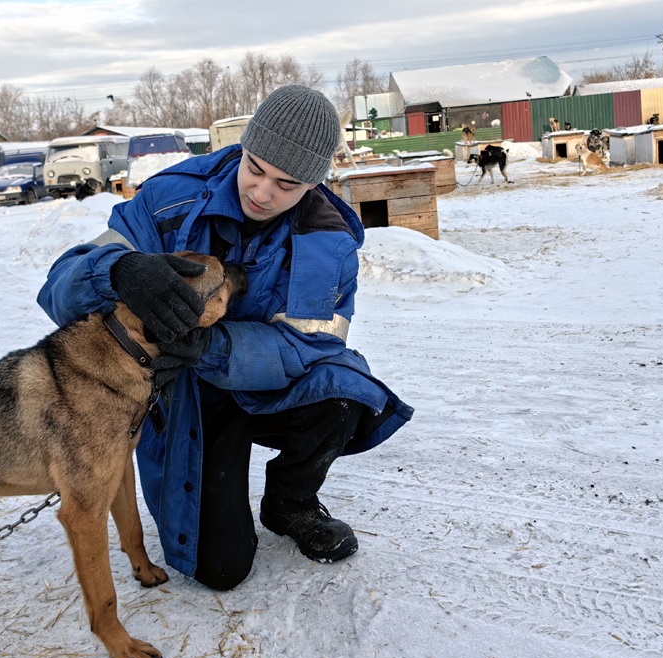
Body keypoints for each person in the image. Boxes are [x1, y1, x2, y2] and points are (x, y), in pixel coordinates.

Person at [37, 84, 413, 591]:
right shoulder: (170, 197)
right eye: (254, 167)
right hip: (185, 393)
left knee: (345, 393)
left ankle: (290, 503)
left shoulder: (328, 243)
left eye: (286, 183)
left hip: (263, 385)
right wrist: (119, 270)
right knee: (220, 569)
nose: (261, 193)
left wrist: (212, 347)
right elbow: (59, 292)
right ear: (242, 148)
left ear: (314, 183)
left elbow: (310, 346)